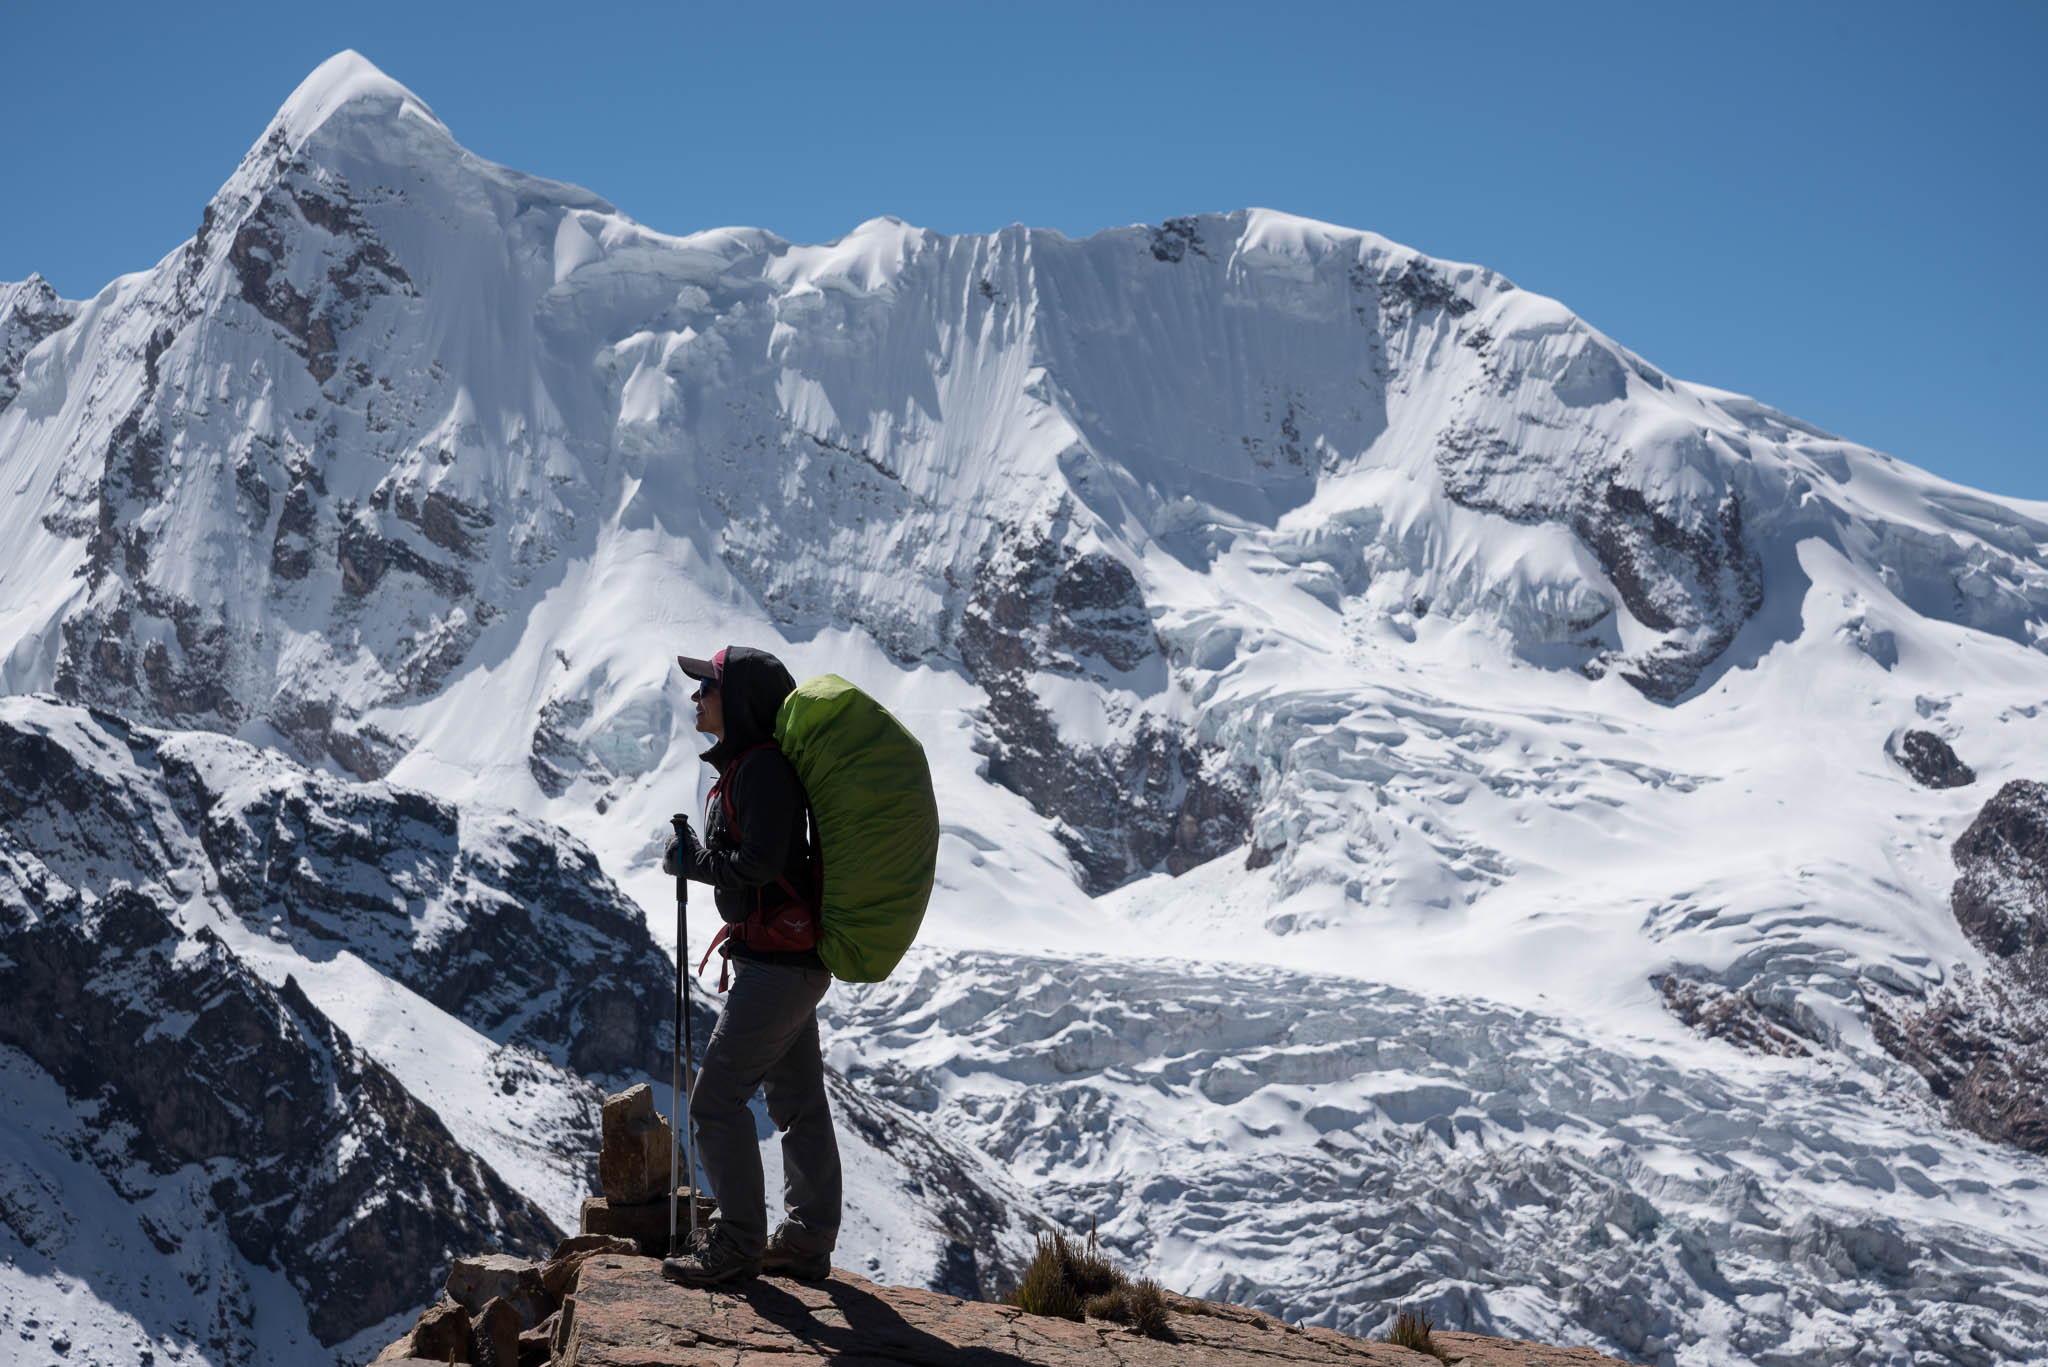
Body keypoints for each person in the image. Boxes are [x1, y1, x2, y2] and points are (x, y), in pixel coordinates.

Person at [660, 645, 841, 1285]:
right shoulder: (752, 766)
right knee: (796, 1100)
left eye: (706, 688)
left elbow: (759, 865)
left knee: (714, 1102)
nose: (696, 698)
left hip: (775, 965)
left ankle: (738, 1244)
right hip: (788, 958)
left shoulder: (760, 770)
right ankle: (807, 1240)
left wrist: (692, 863)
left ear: (735, 701)